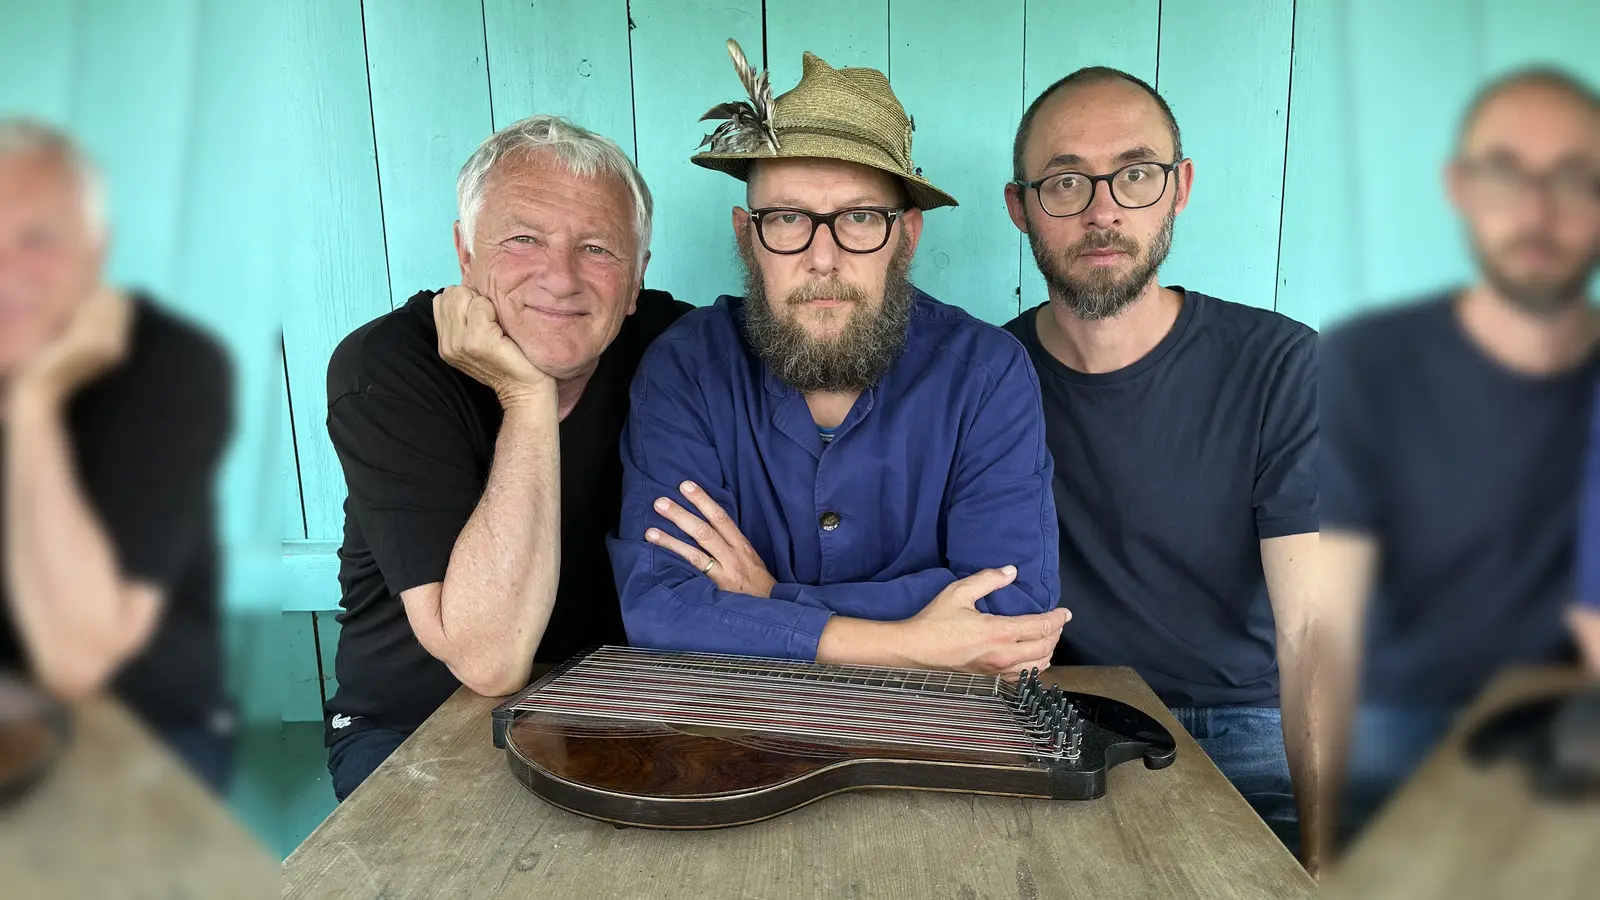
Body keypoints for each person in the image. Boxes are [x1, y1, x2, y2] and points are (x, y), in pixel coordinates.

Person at [609, 46, 1069, 675]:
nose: (822, 259)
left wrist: (769, 601)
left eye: (858, 218)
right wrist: (907, 642)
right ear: (748, 236)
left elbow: (1012, 612)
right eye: (789, 218)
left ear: (906, 237)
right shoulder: (687, 370)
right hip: (744, 735)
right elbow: (661, 608)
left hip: (934, 734)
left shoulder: (986, 375)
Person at [1000, 68, 1321, 867]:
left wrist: (1328, 860)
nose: (1103, 209)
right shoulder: (985, 378)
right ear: (1021, 208)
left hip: (1245, 730)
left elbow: (1314, 632)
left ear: (1178, 189)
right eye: (1066, 181)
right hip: (1064, 719)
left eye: (1134, 174)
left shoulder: (1279, 365)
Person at [322, 116, 690, 800]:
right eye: (523, 239)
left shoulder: (677, 348)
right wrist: (526, 394)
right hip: (411, 726)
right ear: (465, 256)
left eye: (598, 248)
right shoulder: (389, 368)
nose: (561, 277)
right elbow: (489, 660)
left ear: (637, 276)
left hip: (612, 712)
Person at [1321, 67, 1600, 846]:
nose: (1539, 212)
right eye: (1508, 173)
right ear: (1460, 187)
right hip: (1403, 727)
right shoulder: (1371, 363)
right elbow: (1329, 625)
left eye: (1576, 178)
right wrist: (1324, 843)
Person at [0, 119, 234, 790]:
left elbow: (77, 661)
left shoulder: (171, 366)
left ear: (94, 252)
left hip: (144, 725)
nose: (5, 268)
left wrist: (36, 404)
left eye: (37, 239)